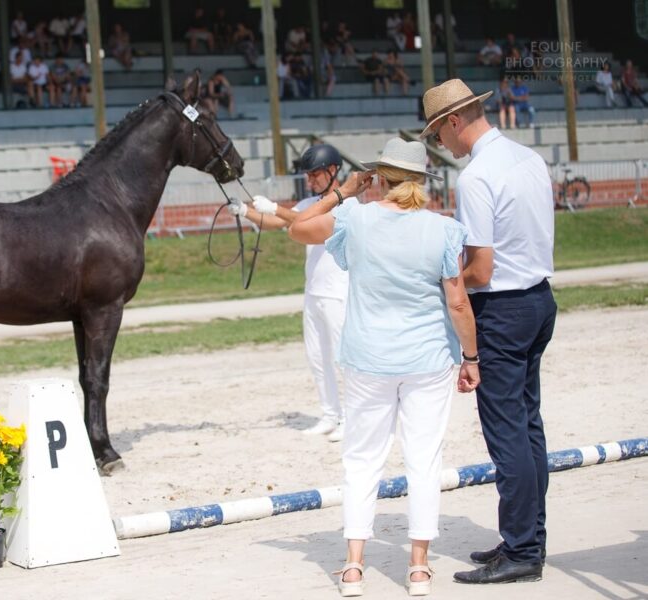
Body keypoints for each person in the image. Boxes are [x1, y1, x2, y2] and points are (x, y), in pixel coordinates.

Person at [289, 138, 480, 597]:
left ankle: (353, 565)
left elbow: (298, 227)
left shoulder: (356, 217)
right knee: (423, 458)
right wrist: (471, 357)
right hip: (428, 357)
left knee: (361, 459)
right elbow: (457, 302)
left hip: (368, 359)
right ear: (420, 181)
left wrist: (344, 191)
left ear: (379, 178)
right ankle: (418, 566)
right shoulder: (441, 229)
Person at [421, 78, 555, 585]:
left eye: (439, 136)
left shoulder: (476, 178)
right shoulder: (528, 158)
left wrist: (440, 283)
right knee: (528, 426)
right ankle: (528, 536)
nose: (442, 147)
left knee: (507, 435)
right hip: (539, 298)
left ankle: (523, 549)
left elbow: (479, 270)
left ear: (454, 122)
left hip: (502, 309)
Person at [228, 144, 353, 443]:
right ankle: (329, 413)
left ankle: (352, 416)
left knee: (342, 359)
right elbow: (279, 221)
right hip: (314, 291)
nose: (310, 180)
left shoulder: (347, 205)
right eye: (308, 175)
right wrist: (246, 211)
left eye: (315, 174)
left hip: (339, 292)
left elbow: (300, 222)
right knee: (317, 357)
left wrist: (275, 207)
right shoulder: (311, 201)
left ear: (333, 171)